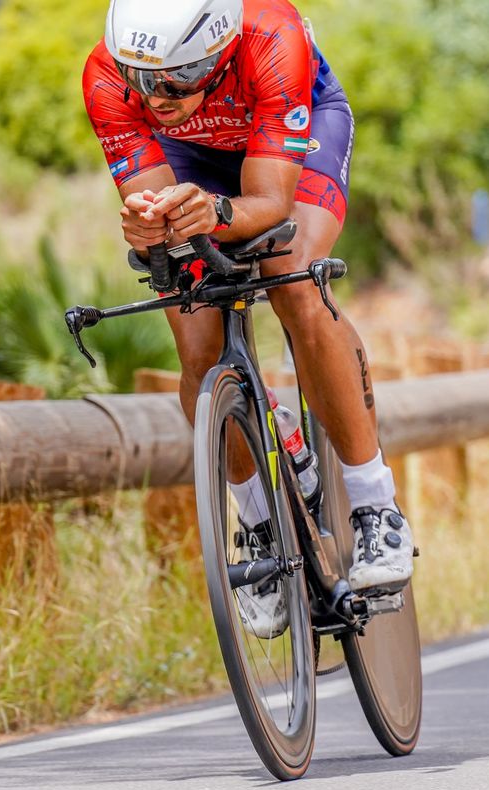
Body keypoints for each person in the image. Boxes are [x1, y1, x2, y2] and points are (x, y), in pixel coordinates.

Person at [83, 0, 411, 636]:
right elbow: (152, 201)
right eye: (141, 78)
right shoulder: (106, 75)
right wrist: (153, 222)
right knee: (197, 341)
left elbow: (268, 201)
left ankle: (376, 506)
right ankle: (258, 521)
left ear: (217, 52)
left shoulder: (272, 38)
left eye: (177, 77)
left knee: (293, 284)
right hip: (190, 159)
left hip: (294, 139)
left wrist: (219, 214)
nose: (157, 95)